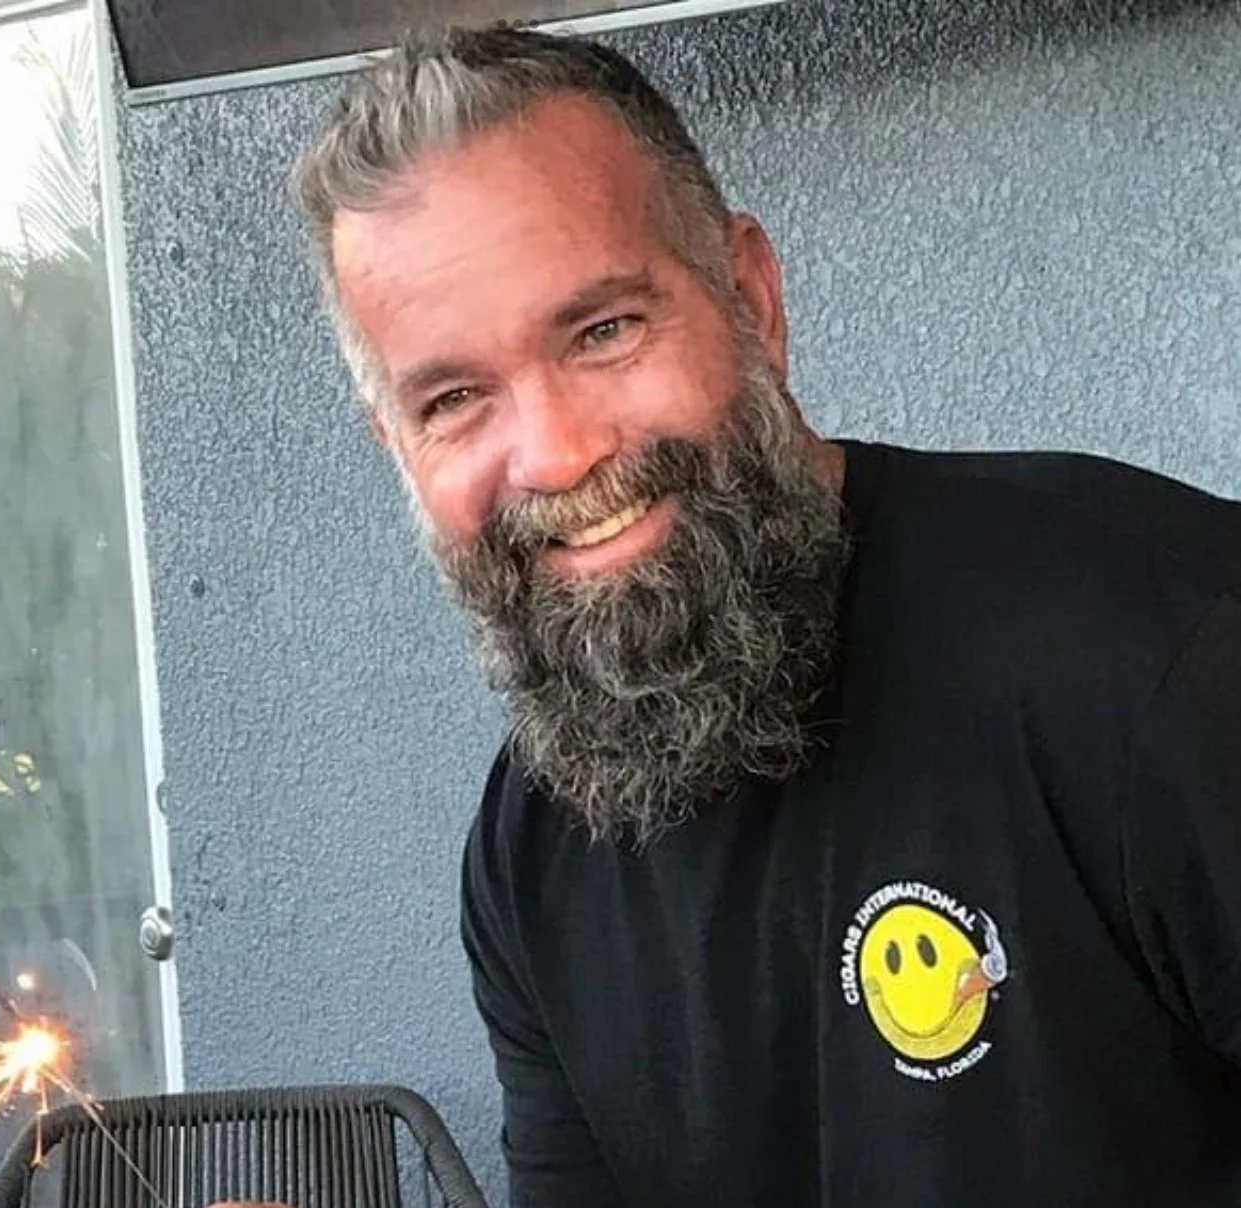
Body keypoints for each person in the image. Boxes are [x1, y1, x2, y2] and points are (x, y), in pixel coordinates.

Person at [239, 24, 1241, 1208]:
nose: (556, 455)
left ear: (751, 300)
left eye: (603, 330)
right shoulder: (528, 849)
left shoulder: (1161, 647)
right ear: (398, 447)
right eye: (453, 398)